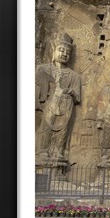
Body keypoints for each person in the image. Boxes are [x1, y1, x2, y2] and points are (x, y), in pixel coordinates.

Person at [36, 32, 81, 162]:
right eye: (61, 50)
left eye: (68, 52)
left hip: (66, 106)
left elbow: (78, 98)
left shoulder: (74, 76)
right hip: (50, 105)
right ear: (53, 51)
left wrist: (71, 92)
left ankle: (58, 153)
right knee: (46, 127)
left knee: (63, 131)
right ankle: (42, 151)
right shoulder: (43, 69)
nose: (64, 54)